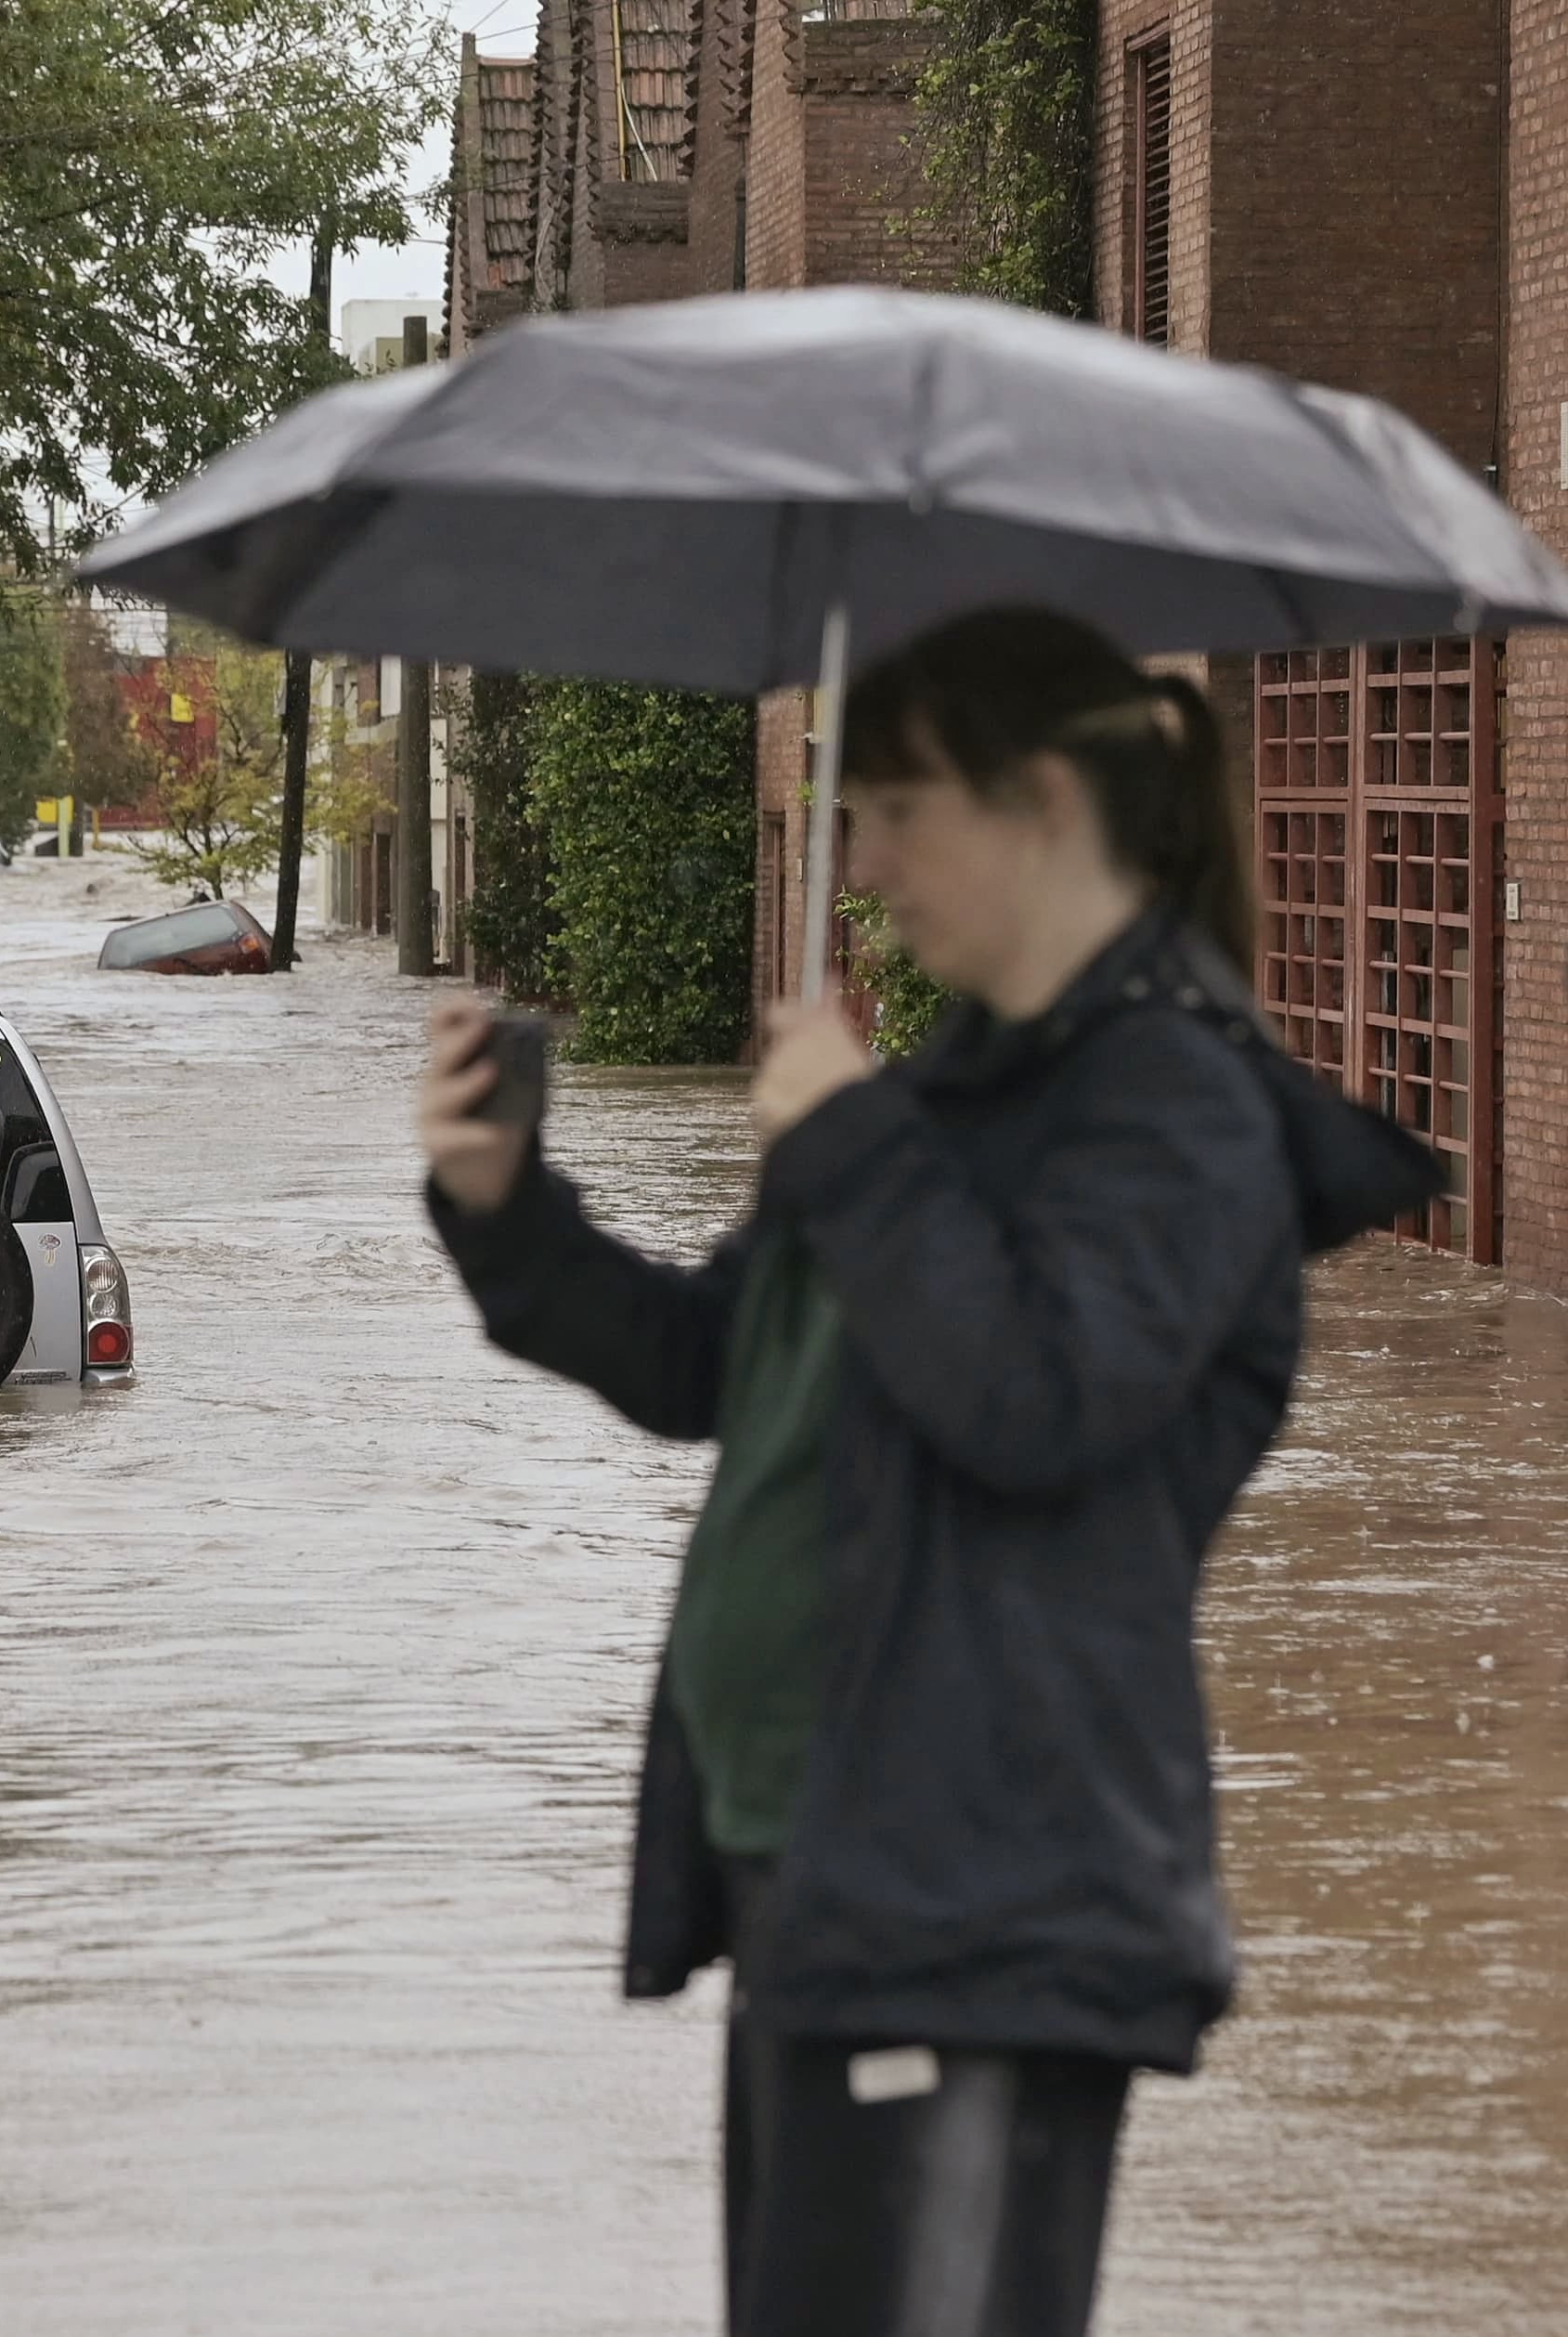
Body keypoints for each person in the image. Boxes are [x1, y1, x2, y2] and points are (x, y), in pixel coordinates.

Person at [416, 608, 1437, 2337]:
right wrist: (507, 1209)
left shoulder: (1180, 1111)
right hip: (827, 1865)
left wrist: (848, 1135)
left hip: (990, 1893)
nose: (867, 863)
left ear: (1043, 804)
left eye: (896, 809)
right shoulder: (945, 1094)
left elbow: (1038, 1401)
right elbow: (708, 1364)